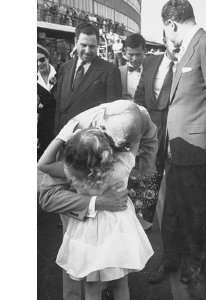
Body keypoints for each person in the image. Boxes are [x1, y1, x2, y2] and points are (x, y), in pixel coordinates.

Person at [38, 100, 158, 300]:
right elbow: (136, 137)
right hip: (120, 226)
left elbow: (43, 165)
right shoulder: (127, 160)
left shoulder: (80, 172)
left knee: (93, 287)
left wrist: (62, 136)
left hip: (90, 232)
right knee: (121, 283)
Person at [160, 0, 206, 297]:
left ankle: (193, 263)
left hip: (198, 150)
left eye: (166, 30)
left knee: (194, 212)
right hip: (177, 149)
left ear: (172, 24)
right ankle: (170, 259)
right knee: (173, 211)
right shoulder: (187, 49)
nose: (167, 35)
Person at [134, 30, 179, 282]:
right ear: (164, 41)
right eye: (173, 41)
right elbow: (140, 95)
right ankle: (142, 237)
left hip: (176, 139)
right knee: (147, 186)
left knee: (172, 196)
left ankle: (171, 252)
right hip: (151, 136)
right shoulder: (150, 62)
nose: (178, 45)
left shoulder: (189, 64)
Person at [54, 22, 122, 135]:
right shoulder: (65, 68)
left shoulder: (110, 71)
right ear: (75, 42)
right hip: (63, 139)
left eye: (92, 46)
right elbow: (59, 108)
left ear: (98, 45)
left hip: (89, 142)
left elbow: (112, 115)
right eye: (83, 45)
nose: (87, 50)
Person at [37, 44, 56, 159]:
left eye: (42, 59)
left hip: (60, 118)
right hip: (45, 124)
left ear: (48, 58)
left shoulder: (61, 73)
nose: (39, 64)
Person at [119, 34, 146, 99]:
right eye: (131, 55)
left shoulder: (152, 70)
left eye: (138, 54)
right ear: (125, 52)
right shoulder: (119, 72)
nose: (134, 59)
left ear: (144, 51)